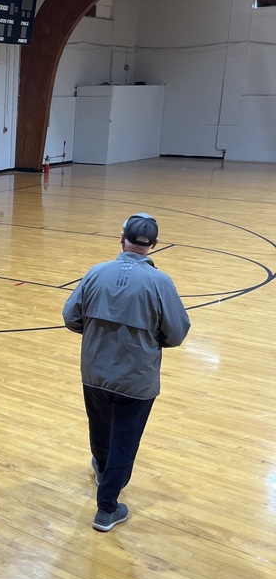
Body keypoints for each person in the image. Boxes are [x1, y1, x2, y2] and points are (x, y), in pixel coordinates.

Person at [62, 213, 190, 532]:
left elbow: (71, 317)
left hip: (94, 372)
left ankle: (102, 469)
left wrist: (98, 334)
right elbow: (176, 333)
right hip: (136, 380)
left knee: (100, 428)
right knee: (124, 441)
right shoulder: (160, 282)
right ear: (154, 244)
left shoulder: (96, 272)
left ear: (122, 239)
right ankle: (107, 508)